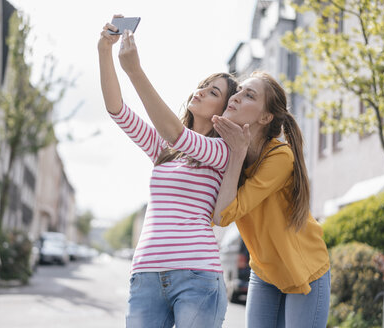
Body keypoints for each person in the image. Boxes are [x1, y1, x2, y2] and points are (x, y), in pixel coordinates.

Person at [98, 16, 238, 328]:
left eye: (213, 92)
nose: (200, 91)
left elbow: (180, 135)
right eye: (202, 85)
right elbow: (116, 109)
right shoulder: (163, 146)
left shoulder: (222, 151)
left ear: (224, 109)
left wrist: (134, 70)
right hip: (146, 273)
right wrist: (104, 51)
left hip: (197, 274)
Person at [211, 71, 331, 328]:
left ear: (265, 117)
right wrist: (237, 153)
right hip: (265, 272)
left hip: (304, 270)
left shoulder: (280, 157)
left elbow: (224, 214)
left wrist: (237, 153)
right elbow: (220, 215)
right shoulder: (230, 152)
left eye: (249, 95)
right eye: (239, 90)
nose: (237, 96)